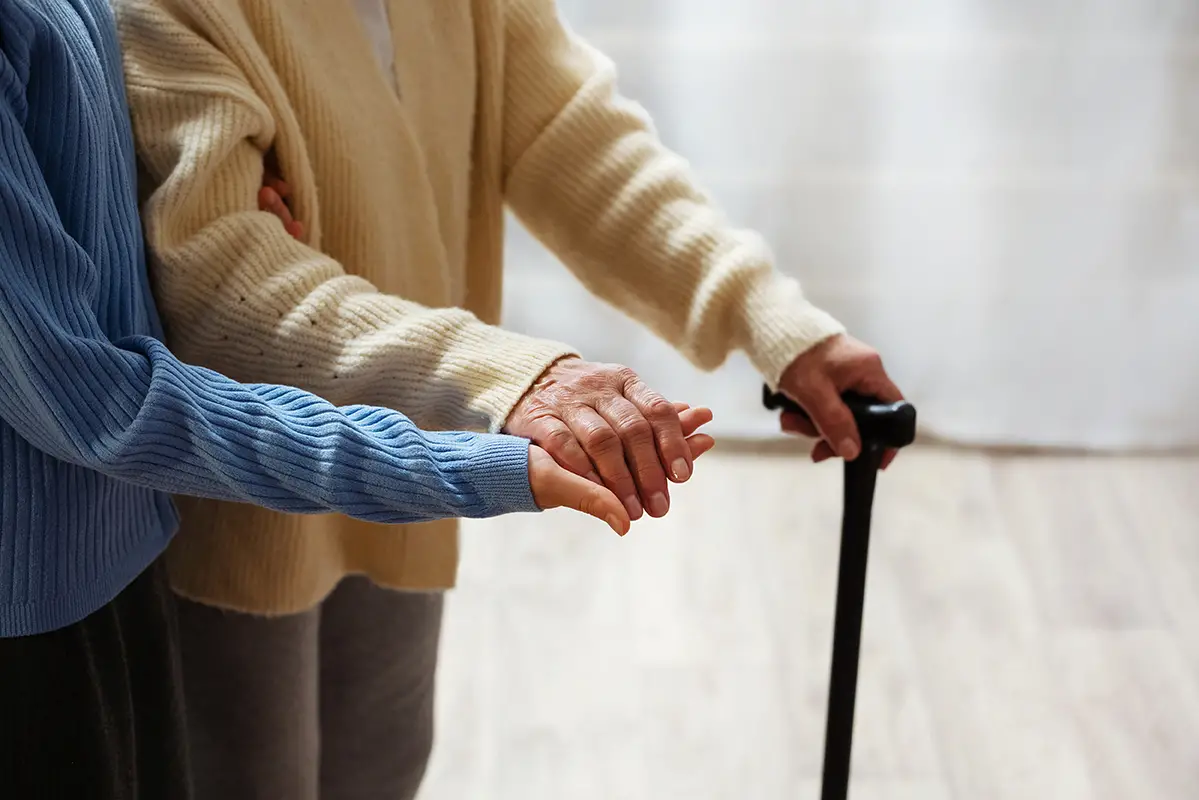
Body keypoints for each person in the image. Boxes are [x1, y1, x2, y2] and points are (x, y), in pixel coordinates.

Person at [113, 0, 906, 797]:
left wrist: (772, 320)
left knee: (381, 766)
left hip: (406, 472)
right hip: (233, 501)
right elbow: (223, 279)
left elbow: (572, 135)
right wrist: (511, 377)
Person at [0, 1, 716, 796]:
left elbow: (571, 136)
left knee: (384, 764)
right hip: (189, 522)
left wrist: (788, 338)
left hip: (182, 519)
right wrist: (471, 446)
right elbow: (107, 373)